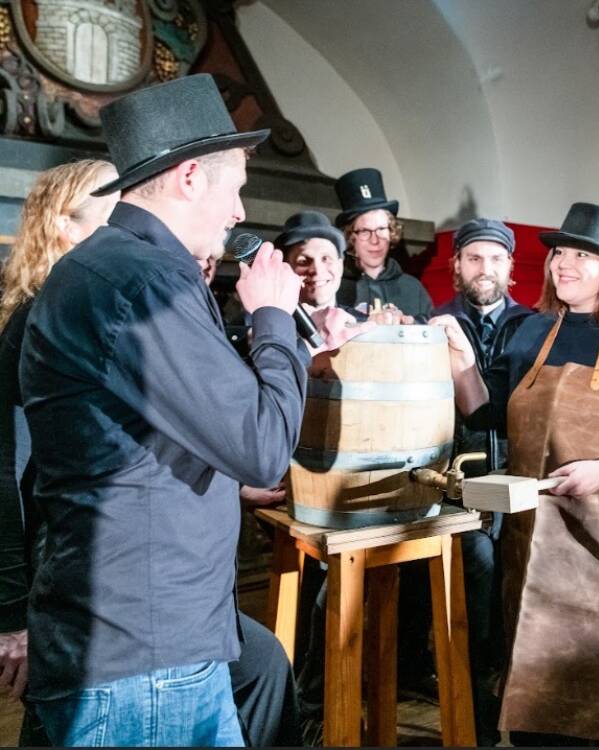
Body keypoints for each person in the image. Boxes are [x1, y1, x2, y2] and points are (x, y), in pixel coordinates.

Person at [18, 74, 364, 747]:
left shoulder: (124, 267)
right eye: (234, 186)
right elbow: (261, 444)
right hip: (143, 655)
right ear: (188, 178)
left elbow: (160, 433)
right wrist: (272, 320)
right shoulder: (137, 280)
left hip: (150, 637)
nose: (239, 210)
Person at [432, 202, 599, 745]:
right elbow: (488, 414)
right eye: (560, 252)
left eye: (583, 254)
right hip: (536, 549)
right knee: (541, 705)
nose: (564, 264)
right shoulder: (531, 333)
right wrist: (458, 356)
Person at [0, 159, 119, 746]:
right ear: (64, 227)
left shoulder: (85, 312)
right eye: (114, 218)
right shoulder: (37, 321)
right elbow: (5, 470)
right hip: (56, 567)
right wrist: (13, 614)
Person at [430, 218, 533, 746]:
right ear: (456, 266)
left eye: (496, 259)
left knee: (518, 592)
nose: (485, 269)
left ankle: (515, 700)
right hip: (455, 484)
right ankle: (472, 711)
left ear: (511, 268)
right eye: (474, 259)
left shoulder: (534, 326)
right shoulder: (434, 323)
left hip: (520, 483)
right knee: (475, 587)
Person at [334, 167, 433, 319]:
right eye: (365, 231)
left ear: (392, 231)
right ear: (350, 237)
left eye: (381, 229)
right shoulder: (334, 287)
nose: (375, 240)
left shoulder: (413, 288)